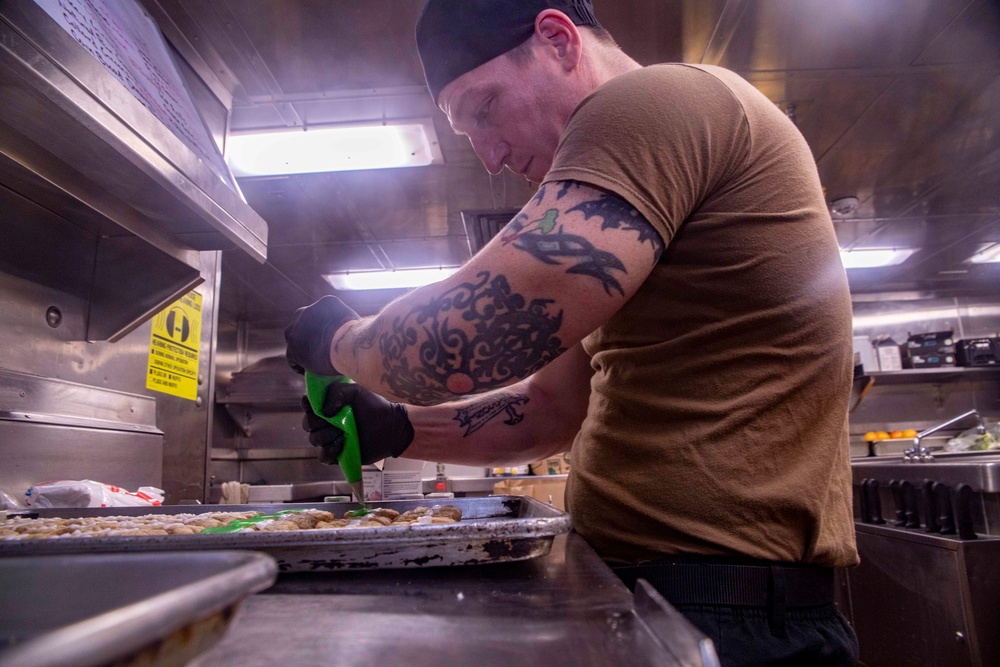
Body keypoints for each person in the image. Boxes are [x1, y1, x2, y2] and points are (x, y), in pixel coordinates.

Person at [284, 1, 859, 664]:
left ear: (558, 39)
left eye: (484, 109)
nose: (490, 155)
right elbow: (552, 409)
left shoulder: (654, 101)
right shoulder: (643, 210)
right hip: (680, 593)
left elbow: (474, 333)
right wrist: (399, 425)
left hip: (723, 612)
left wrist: (340, 340)